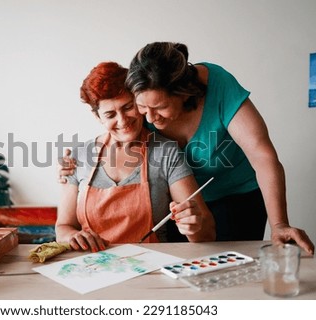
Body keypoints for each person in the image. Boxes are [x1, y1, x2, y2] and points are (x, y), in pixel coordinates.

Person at [122, 41, 314, 254]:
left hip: (236, 198)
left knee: (232, 271)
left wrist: (280, 225)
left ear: (184, 92)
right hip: (177, 205)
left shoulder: (219, 85)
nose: (150, 118)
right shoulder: (139, 102)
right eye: (142, 108)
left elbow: (263, 156)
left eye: (161, 107)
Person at [56, 61, 215, 252]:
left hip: (153, 266)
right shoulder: (77, 156)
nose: (122, 121)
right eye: (110, 114)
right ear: (97, 117)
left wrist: (193, 225)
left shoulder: (166, 152)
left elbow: (207, 233)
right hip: (93, 269)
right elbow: (62, 228)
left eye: (127, 107)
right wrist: (72, 236)